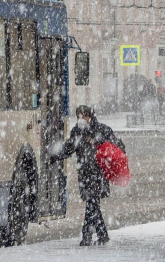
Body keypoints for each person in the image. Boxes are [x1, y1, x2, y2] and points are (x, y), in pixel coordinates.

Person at [51, 105, 125, 246]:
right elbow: (69, 148)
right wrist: (55, 156)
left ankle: (88, 237)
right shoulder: (77, 132)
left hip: (98, 174)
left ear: (90, 116)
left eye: (83, 116)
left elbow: (114, 147)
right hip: (84, 174)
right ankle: (101, 236)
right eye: (78, 116)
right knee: (93, 205)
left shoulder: (102, 130)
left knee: (92, 203)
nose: (80, 119)